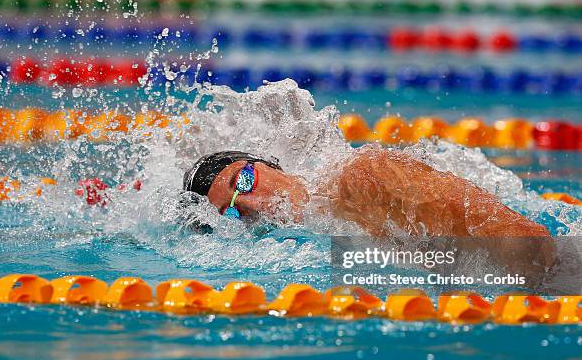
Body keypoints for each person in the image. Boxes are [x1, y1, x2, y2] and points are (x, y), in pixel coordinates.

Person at [183, 147, 550, 237]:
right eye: (234, 211)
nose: (255, 205)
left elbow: (530, 242)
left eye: (243, 182)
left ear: (267, 163)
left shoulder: (362, 176)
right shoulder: (325, 229)